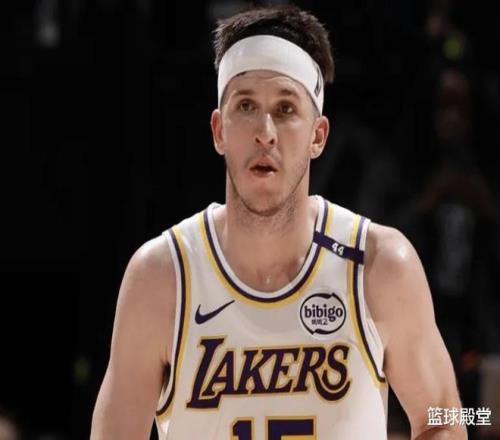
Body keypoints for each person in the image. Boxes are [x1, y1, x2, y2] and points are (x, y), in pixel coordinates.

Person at [91, 5, 466, 439]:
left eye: (285, 108)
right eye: (246, 105)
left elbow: (444, 419)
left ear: (317, 136)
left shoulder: (380, 265)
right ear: (218, 130)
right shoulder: (161, 278)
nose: (264, 131)